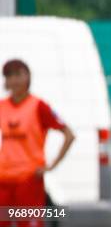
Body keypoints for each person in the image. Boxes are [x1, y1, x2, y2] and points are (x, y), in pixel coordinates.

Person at [0, 59, 75, 227]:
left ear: (27, 77)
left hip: (28, 180)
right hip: (4, 180)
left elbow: (69, 135)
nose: (14, 80)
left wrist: (51, 166)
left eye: (18, 74)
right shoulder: (2, 106)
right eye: (9, 76)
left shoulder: (38, 106)